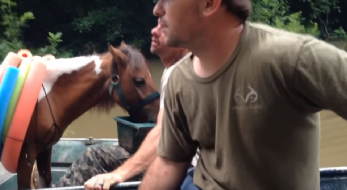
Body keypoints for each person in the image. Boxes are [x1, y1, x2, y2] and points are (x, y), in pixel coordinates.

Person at [139, 0, 347, 190]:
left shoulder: (289, 58)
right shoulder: (179, 79)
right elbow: (171, 161)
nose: (157, 9)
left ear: (209, 4)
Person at [47, 21, 193, 189]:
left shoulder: (179, 71)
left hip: (185, 167)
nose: (154, 31)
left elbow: (162, 133)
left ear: (184, 31)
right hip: (177, 157)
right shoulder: (172, 70)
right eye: (156, 24)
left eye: (164, 26)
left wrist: (120, 173)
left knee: (94, 155)